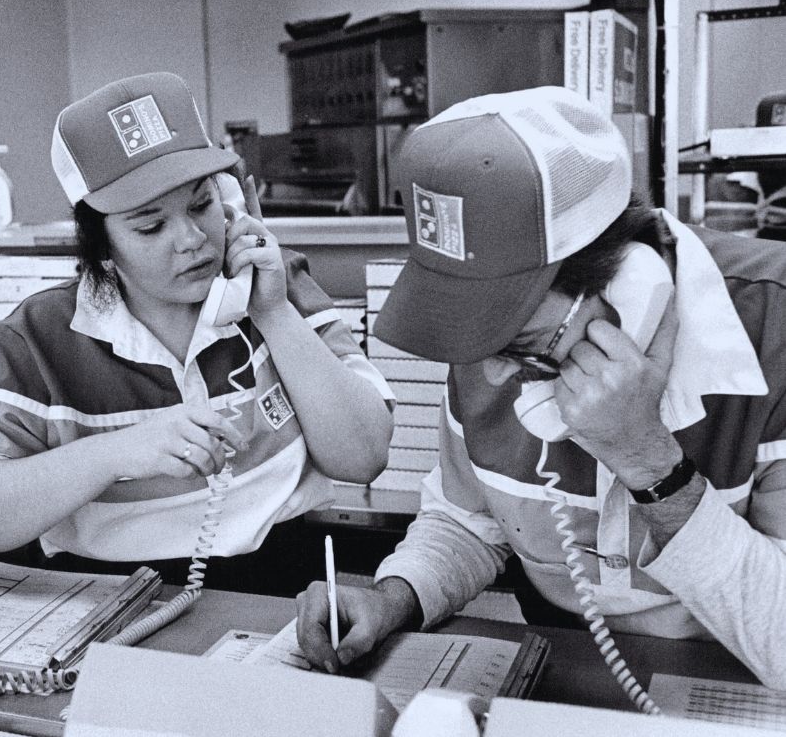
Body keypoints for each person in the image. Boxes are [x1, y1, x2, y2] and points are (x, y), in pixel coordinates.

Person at [295, 86, 786, 689]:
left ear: (635, 284)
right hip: (559, 667)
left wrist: (647, 460)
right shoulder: (486, 335)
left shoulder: (775, 331)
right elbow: (469, 520)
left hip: (739, 684)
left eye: (520, 342)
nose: (494, 375)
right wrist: (394, 596)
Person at [0, 72, 394, 596]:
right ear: (100, 243)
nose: (192, 239)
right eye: (150, 226)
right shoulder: (35, 336)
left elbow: (364, 458)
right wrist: (117, 453)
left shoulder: (279, 284)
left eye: (201, 205)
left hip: (285, 579)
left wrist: (272, 313)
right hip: (102, 596)